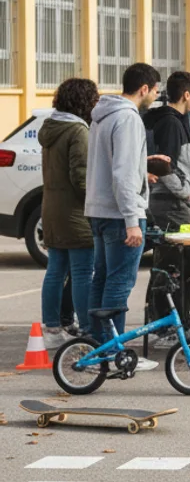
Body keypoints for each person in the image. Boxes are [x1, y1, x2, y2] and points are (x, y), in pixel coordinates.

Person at [85, 63, 161, 371]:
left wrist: (144, 165)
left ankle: (94, 347)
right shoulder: (128, 119)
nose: (156, 95)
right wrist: (132, 218)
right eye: (156, 90)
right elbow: (122, 173)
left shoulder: (103, 115)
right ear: (144, 89)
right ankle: (115, 354)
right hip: (120, 215)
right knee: (119, 281)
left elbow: (115, 164)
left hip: (99, 210)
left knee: (101, 278)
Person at [144, 71, 190, 348]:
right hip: (172, 206)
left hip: (177, 204)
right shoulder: (170, 123)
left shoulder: (178, 121)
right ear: (186, 95)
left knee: (181, 265)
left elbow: (177, 162)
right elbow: (162, 167)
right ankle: (168, 327)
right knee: (176, 266)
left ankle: (176, 322)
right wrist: (187, 195)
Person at [39, 78, 100, 348]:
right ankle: (87, 329)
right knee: (83, 271)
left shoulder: (51, 128)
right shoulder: (78, 131)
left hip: (52, 209)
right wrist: (97, 202)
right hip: (76, 213)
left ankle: (51, 329)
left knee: (55, 270)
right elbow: (81, 177)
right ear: (84, 102)